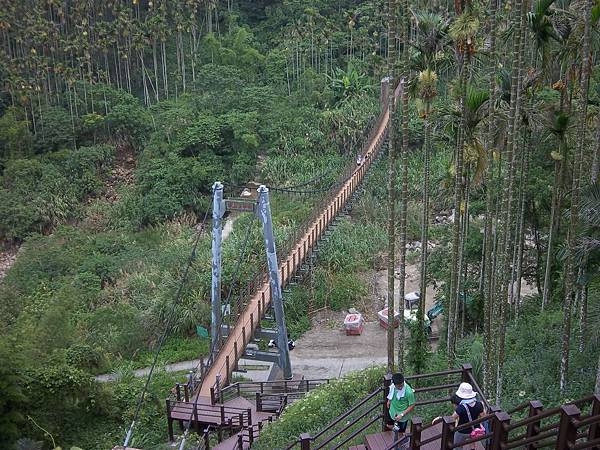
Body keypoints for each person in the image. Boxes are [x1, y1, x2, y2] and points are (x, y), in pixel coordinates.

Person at [451, 382, 484, 450]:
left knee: (457, 446)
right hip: (474, 429)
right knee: (472, 444)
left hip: (462, 431)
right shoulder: (479, 404)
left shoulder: (461, 407)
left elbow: (452, 418)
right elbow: (483, 416)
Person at [386, 373, 416, 447]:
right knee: (389, 425)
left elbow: (412, 405)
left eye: (401, 385)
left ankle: (400, 442)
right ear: (394, 384)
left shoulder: (408, 392)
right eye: (398, 386)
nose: (400, 387)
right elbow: (391, 393)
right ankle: (399, 433)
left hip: (403, 416)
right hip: (393, 411)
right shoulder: (392, 387)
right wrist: (389, 401)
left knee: (400, 433)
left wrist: (402, 414)